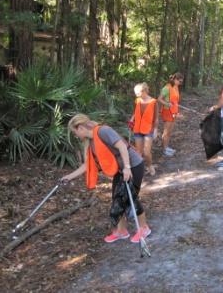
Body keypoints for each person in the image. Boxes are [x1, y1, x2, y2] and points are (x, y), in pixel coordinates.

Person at [60, 114, 151, 244]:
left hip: (133, 164)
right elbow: (88, 165)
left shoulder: (103, 131)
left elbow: (122, 146)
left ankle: (144, 228)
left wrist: (127, 167)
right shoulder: (90, 142)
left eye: (75, 132)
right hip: (120, 169)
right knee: (117, 198)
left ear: (80, 127)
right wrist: (69, 177)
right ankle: (121, 231)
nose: (75, 135)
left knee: (130, 197)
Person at [129, 83, 159, 176]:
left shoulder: (153, 102)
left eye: (138, 93)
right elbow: (135, 112)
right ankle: (139, 169)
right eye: (136, 93)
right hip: (137, 128)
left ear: (144, 91)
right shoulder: (137, 101)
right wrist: (131, 120)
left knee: (146, 152)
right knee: (138, 152)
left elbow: (156, 118)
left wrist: (155, 131)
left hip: (148, 129)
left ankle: (150, 166)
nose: (137, 95)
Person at [157, 72, 183, 156]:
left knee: (170, 131)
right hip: (167, 111)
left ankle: (167, 147)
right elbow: (159, 99)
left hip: (174, 111)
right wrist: (167, 104)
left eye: (181, 82)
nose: (180, 83)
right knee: (166, 131)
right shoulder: (167, 88)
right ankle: (164, 150)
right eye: (179, 81)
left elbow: (175, 100)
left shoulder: (176, 87)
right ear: (175, 79)